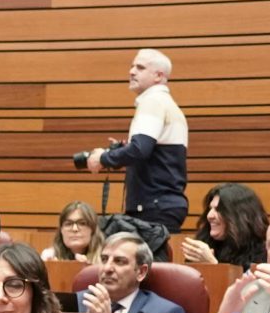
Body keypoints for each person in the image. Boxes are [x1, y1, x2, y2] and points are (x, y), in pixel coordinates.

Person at [80, 48, 190, 241]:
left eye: (140, 67)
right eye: (132, 66)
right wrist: (124, 150)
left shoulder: (153, 102)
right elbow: (151, 150)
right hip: (163, 204)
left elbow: (140, 149)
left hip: (152, 206)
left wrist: (103, 158)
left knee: (143, 268)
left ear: (158, 76)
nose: (131, 71)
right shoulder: (167, 104)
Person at [81, 231, 185, 313]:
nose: (107, 268)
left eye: (119, 261)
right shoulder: (76, 303)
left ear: (141, 272)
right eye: (104, 259)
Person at [178, 182, 266, 268]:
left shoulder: (264, 252)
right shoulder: (206, 244)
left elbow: (247, 282)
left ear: (240, 216)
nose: (209, 216)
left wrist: (212, 264)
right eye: (210, 209)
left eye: (219, 210)